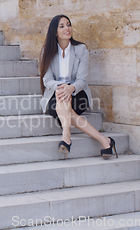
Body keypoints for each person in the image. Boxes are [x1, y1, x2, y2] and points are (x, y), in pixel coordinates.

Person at [39, 15, 117, 160]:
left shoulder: (81, 49)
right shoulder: (47, 51)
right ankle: (104, 140)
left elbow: (82, 80)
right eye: (62, 26)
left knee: (65, 99)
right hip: (56, 93)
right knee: (62, 97)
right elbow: (47, 80)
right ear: (54, 32)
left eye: (68, 25)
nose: (67, 28)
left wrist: (71, 88)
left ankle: (66, 136)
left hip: (78, 93)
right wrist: (62, 86)